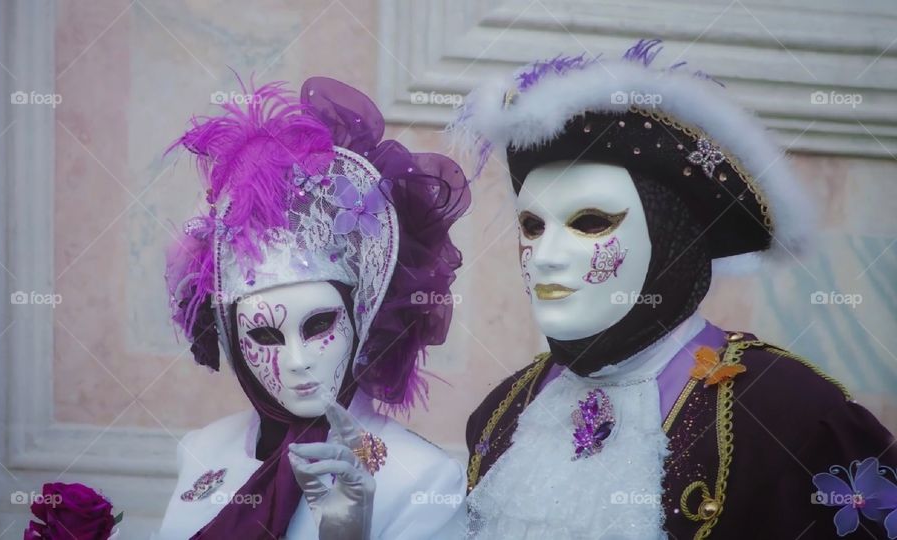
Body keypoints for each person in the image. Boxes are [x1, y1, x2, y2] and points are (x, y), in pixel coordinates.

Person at [451, 39, 897, 539]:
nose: (546, 255)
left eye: (590, 222)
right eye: (532, 226)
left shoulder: (786, 416)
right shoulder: (505, 413)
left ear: (671, 241)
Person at [157, 76, 471, 539]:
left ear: (361, 319)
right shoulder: (202, 450)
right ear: (233, 338)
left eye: (319, 325)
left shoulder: (422, 480)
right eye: (264, 334)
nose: (297, 361)